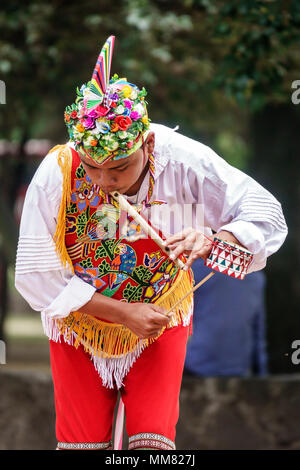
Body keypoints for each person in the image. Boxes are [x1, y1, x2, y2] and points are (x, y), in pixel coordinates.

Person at [15, 36, 287, 451]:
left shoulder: (184, 159)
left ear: (146, 144)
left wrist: (214, 238)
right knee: (82, 444)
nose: (105, 182)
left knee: (153, 442)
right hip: (78, 321)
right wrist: (121, 313)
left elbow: (266, 211)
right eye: (92, 169)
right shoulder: (57, 172)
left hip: (162, 307)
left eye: (119, 169)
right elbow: (36, 277)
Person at [184, 258, 268, 377]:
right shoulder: (256, 277)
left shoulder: (194, 269)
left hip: (196, 363)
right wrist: (262, 375)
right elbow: (258, 331)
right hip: (239, 366)